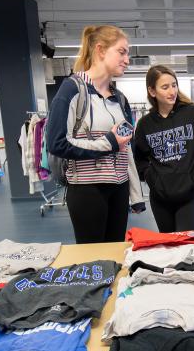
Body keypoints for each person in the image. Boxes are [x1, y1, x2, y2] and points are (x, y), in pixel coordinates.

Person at [47, 25, 145, 244]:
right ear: (101, 50)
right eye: (122, 52)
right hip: (87, 190)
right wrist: (108, 143)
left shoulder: (119, 99)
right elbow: (57, 143)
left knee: (115, 255)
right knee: (93, 261)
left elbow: (125, 148)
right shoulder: (72, 90)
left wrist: (136, 195)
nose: (127, 59)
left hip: (118, 190)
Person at [133, 65, 194, 232]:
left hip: (189, 193)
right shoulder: (145, 124)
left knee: (185, 245)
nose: (172, 91)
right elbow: (139, 158)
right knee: (167, 246)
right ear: (152, 92)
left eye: (174, 85)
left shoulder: (192, 113)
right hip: (160, 197)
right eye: (165, 87)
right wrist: (151, 178)